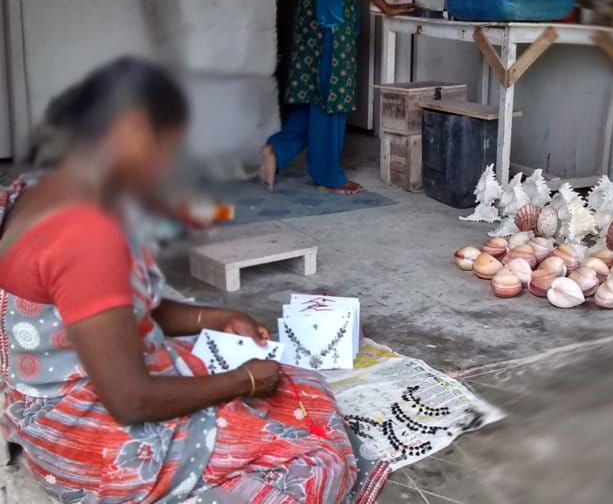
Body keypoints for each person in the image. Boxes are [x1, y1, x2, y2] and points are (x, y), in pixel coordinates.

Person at [0, 57, 357, 503]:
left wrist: (215, 316)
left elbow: (114, 312)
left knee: (300, 383)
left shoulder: (45, 190)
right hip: (93, 442)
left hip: (63, 396)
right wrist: (241, 382)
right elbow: (130, 401)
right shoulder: (88, 238)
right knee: (317, 464)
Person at [260, 0, 414, 194]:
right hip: (331, 14)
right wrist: (383, 3)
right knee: (332, 94)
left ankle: (277, 151)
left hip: (314, 9)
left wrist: (384, 1)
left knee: (313, 93)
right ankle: (327, 176)